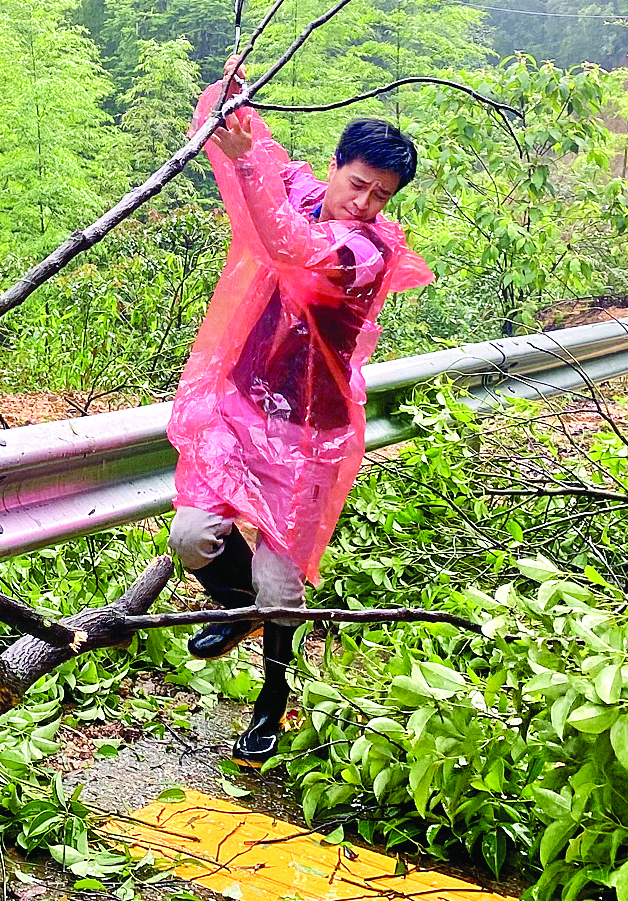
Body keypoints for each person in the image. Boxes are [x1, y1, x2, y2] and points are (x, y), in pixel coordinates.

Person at [166, 66, 432, 764]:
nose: (365, 201)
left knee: (282, 587)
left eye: (382, 194)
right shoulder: (305, 190)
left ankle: (269, 706)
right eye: (359, 182)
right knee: (193, 537)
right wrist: (235, 98)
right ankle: (236, 610)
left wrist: (250, 152)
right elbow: (247, 145)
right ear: (339, 165)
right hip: (239, 406)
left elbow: (289, 244)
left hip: (310, 435)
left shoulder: (366, 251)